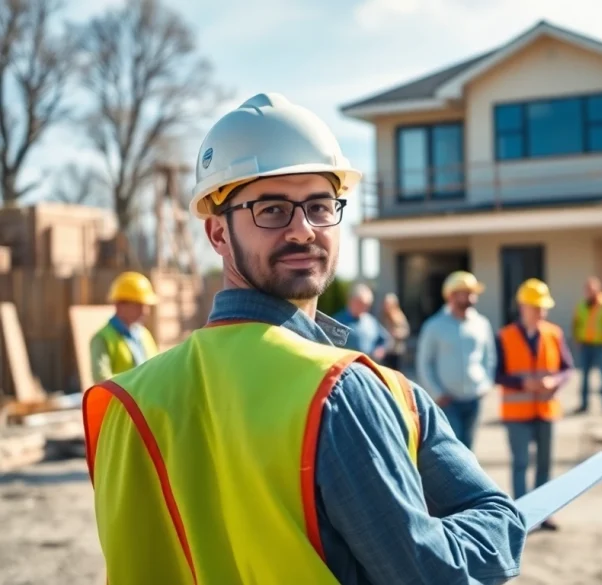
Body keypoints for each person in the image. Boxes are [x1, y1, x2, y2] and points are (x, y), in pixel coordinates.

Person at [81, 93, 526, 584]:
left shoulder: (129, 403)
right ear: (218, 235)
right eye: (271, 209)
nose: (302, 230)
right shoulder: (338, 392)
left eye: (319, 206)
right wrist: (500, 521)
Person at [494, 278, 573, 531]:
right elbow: (497, 373)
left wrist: (555, 381)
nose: (541, 312)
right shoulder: (504, 337)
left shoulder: (554, 334)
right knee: (520, 464)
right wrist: (521, 383)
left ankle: (544, 513)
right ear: (523, 307)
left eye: (543, 307)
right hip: (516, 413)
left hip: (546, 410)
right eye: (536, 307)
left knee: (544, 464)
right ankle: (522, 515)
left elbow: (567, 368)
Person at [416, 270, 496, 450]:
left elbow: (489, 356)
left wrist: (485, 384)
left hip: (473, 398)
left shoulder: (482, 324)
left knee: (469, 449)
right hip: (448, 401)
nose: (472, 297)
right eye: (467, 293)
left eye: (473, 293)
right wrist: (437, 393)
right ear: (451, 295)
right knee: (453, 450)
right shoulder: (434, 326)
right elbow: (424, 363)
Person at [89, 271, 160, 383]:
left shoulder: (144, 334)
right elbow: (101, 382)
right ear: (119, 305)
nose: (145, 311)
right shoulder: (102, 339)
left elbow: (157, 368)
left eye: (146, 306)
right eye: (138, 305)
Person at [571, 276, 602, 416]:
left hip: (601, 344)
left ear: (598, 290)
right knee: (584, 376)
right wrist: (577, 339)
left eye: (592, 290)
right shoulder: (581, 305)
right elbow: (576, 323)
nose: (589, 292)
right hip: (586, 344)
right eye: (587, 290)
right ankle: (584, 405)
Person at [333, 282, 391, 361]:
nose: (365, 308)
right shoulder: (337, 321)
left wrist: (380, 350)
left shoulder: (371, 321)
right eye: (361, 304)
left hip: (368, 366)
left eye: (367, 305)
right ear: (351, 301)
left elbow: (384, 339)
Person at [379, 293, 409, 371]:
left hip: (396, 351)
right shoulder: (383, 316)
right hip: (386, 350)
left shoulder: (399, 316)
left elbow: (406, 331)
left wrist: (396, 333)